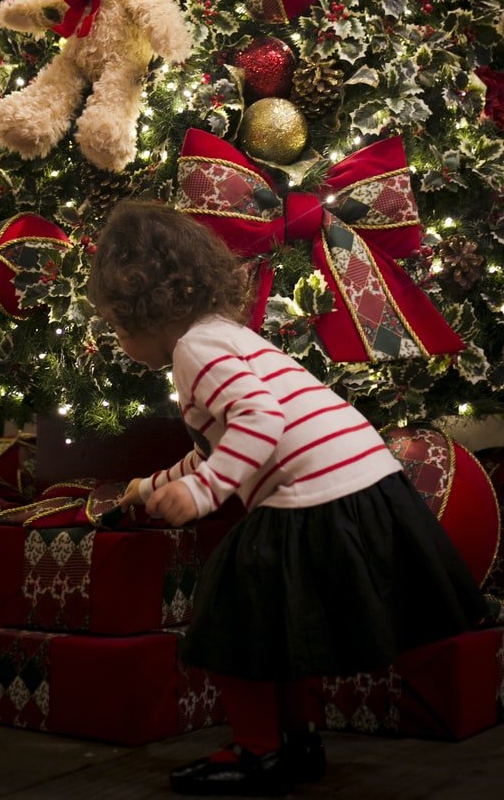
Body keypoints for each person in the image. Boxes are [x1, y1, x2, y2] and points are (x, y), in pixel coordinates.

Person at [87, 199, 489, 797]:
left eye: (117, 325)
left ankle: (257, 750)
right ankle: (295, 742)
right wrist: (152, 487)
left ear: (145, 311)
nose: (119, 341)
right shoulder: (223, 337)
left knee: (232, 618)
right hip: (361, 479)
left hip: (314, 493)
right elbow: (224, 439)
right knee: (276, 625)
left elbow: (258, 419)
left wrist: (204, 492)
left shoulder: (193, 353)